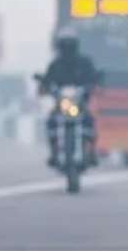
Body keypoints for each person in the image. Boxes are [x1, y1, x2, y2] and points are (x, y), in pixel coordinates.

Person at [39, 29, 101, 168]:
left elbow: (93, 77)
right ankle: (54, 153)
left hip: (80, 103)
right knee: (51, 122)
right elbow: (47, 80)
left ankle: (91, 152)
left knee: (90, 121)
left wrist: (92, 85)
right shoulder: (55, 64)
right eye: (65, 45)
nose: (67, 49)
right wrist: (46, 86)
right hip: (62, 103)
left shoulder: (85, 62)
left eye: (70, 45)